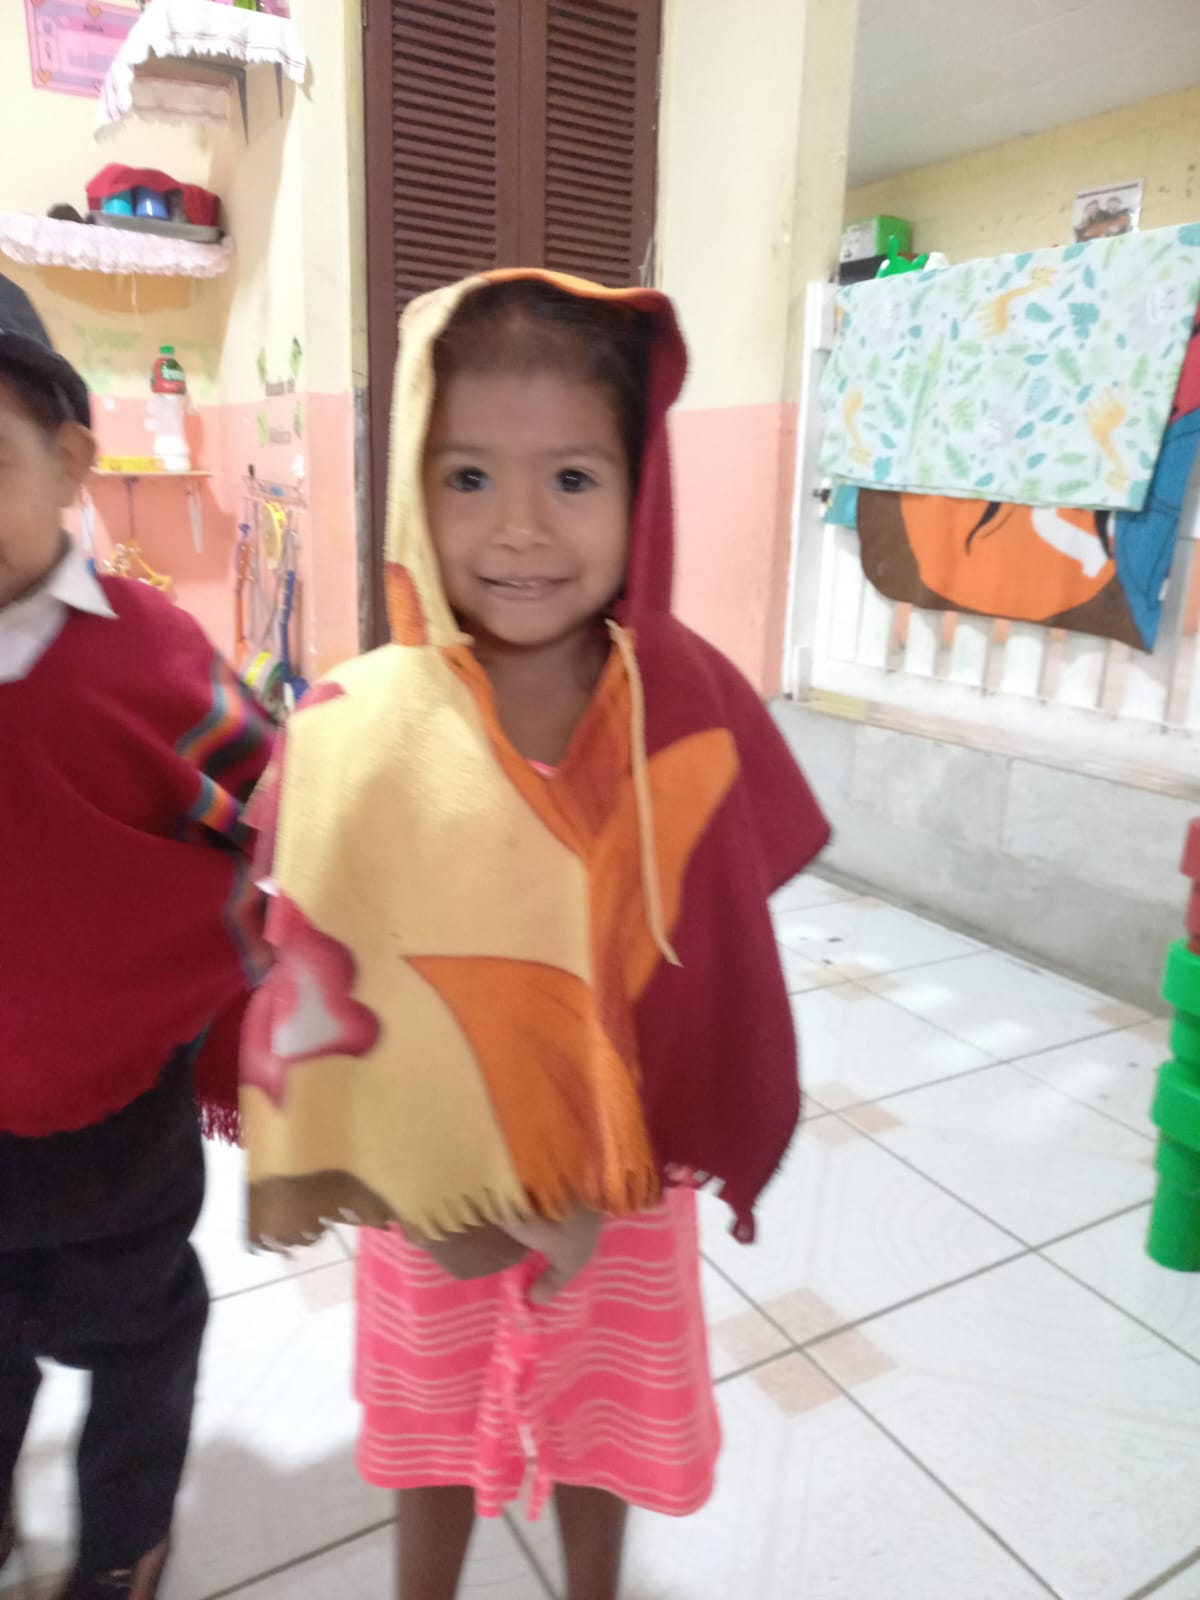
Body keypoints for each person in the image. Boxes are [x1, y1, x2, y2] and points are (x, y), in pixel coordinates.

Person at [242, 271, 830, 1600]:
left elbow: (712, 952)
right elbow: (319, 980)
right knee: (431, 1439)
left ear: (640, 489)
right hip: (430, 1189)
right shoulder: (353, 723)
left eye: (572, 478)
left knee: (605, 1431)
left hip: (624, 1189)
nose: (519, 529)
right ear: (412, 485)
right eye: (467, 478)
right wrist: (436, 1193)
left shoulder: (685, 704)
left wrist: (595, 1157)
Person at [0, 274, 273, 1600]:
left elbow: (270, 804)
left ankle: (121, 1542)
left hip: (118, 1113)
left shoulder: (149, 653)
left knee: (137, 1327)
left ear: (67, 464)